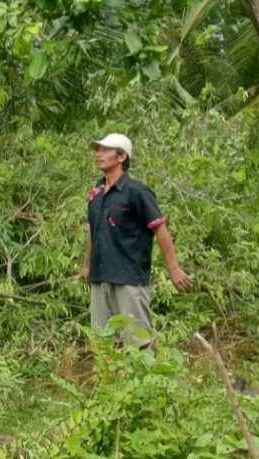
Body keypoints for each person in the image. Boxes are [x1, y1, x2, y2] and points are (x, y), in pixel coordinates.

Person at [81, 133, 191, 350]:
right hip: (100, 276)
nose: (99, 155)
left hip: (129, 278)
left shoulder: (137, 191)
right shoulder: (97, 192)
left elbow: (160, 229)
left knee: (138, 341)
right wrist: (87, 266)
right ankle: (112, 385)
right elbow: (93, 230)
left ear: (121, 156)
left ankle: (152, 382)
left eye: (105, 150)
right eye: (98, 150)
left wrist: (174, 268)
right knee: (103, 344)